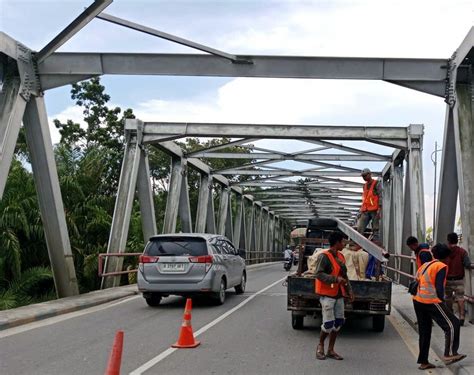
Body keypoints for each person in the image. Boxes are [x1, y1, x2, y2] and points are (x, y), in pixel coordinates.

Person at [412, 243, 465, 370]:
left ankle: (424, 361)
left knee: (425, 331)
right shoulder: (441, 266)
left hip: (418, 300)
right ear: (447, 257)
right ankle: (450, 354)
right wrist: (441, 302)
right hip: (431, 300)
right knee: (453, 324)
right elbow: (439, 287)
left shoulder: (425, 265)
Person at [314, 231, 354, 361]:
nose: (344, 244)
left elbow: (345, 276)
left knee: (338, 322)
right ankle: (320, 346)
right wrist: (335, 279)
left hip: (339, 295)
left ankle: (331, 350)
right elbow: (318, 274)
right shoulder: (324, 257)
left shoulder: (341, 257)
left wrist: (350, 291)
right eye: (342, 242)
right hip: (327, 295)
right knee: (328, 324)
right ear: (337, 243)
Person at [444, 232, 473, 325]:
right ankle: (462, 317)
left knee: (448, 298)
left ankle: (450, 316)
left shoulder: (444, 252)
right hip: (459, 279)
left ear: (448, 241)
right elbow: (467, 264)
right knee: (460, 298)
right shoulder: (462, 252)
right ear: (457, 240)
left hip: (447, 279)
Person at [357, 168, 382, 240]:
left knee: (375, 229)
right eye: (363, 176)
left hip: (375, 210)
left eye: (365, 176)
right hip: (365, 210)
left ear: (369, 174)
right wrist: (361, 211)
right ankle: (358, 244)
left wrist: (379, 209)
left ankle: (376, 244)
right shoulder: (364, 186)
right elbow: (365, 199)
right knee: (360, 228)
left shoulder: (376, 183)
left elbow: (380, 195)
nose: (364, 178)